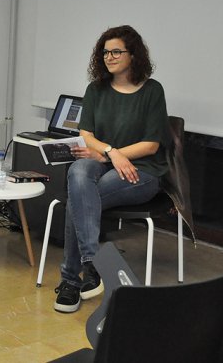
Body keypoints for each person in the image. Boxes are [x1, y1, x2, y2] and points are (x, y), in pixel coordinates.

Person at [54, 25, 170, 313]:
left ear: (134, 54)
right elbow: (87, 134)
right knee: (79, 172)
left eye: (116, 51)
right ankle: (93, 265)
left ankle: (71, 280)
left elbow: (151, 144)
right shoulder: (96, 89)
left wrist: (113, 156)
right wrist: (110, 153)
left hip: (141, 172)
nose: (109, 57)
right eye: (105, 52)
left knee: (78, 202)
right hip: (104, 161)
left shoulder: (153, 91)